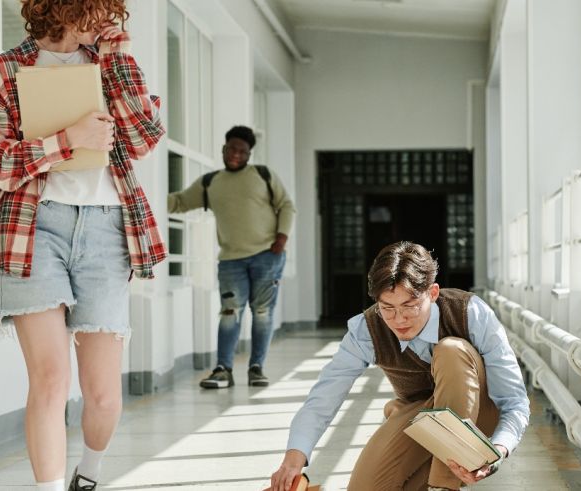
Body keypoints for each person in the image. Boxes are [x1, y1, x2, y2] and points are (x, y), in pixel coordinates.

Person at [0, 1, 165, 489]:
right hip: (30, 228)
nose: (106, 22)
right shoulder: (5, 70)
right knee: (51, 380)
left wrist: (116, 59)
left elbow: (143, 139)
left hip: (107, 229)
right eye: (97, 10)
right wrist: (66, 139)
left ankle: (89, 475)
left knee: (102, 397)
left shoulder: (112, 64)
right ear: (64, 7)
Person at [269, 241, 530, 491]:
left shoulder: (470, 312)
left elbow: (514, 401)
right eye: (387, 308)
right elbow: (324, 396)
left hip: (481, 418)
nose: (399, 319)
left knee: (451, 350)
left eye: (410, 306)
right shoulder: (366, 329)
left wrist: (498, 450)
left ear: (433, 293)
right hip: (418, 414)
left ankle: (443, 485)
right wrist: (294, 458)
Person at [168, 125, 295, 389]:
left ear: (249, 154)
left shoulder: (262, 175)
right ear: (223, 150)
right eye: (231, 149)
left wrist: (281, 239)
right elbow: (179, 202)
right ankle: (223, 369)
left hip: (267, 256)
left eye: (242, 150)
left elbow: (286, 205)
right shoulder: (211, 182)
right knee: (229, 313)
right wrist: (146, 197)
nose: (236, 154)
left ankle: (256, 368)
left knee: (261, 313)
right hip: (230, 261)